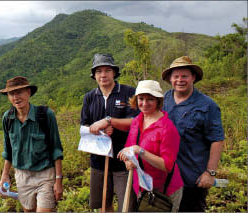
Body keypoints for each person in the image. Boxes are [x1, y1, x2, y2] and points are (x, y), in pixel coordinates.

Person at [161, 56, 225, 212]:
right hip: (165, 176)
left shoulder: (208, 105)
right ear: (170, 79)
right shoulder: (164, 99)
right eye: (176, 76)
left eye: (185, 76)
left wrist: (210, 173)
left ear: (193, 78)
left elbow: (217, 140)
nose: (180, 80)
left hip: (191, 177)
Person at [80, 53, 138, 211]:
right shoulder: (90, 97)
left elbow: (136, 122)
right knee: (104, 205)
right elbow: (84, 127)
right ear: (94, 75)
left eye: (107, 70)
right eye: (99, 71)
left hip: (124, 161)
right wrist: (99, 131)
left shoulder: (128, 92)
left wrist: (112, 122)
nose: (103, 75)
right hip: (98, 161)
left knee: (126, 206)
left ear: (114, 72)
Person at [0, 76, 64, 212]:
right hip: (22, 176)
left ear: (28, 92)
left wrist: (58, 180)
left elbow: (56, 149)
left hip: (45, 174)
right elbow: (8, 150)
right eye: (11, 94)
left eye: (19, 92)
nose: (16, 97)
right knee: (28, 210)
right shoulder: (8, 118)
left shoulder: (46, 115)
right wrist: (5, 174)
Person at [117, 80, 184, 212]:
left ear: (158, 101)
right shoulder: (137, 121)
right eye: (141, 99)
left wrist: (140, 151)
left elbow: (167, 165)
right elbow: (128, 149)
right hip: (142, 187)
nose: (145, 103)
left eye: (150, 99)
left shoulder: (167, 128)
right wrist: (128, 160)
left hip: (164, 191)